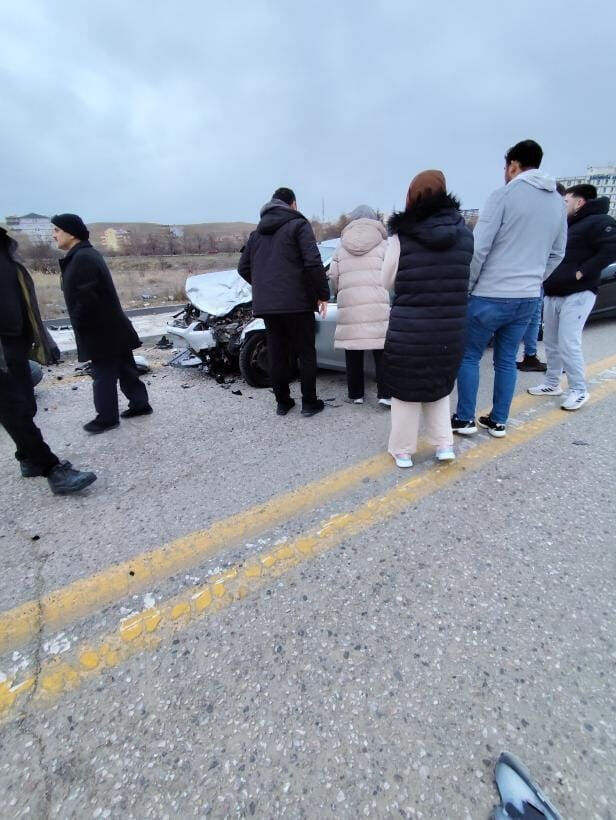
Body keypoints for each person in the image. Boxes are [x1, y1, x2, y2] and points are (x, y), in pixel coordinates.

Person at [452, 140, 566, 438]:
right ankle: (499, 420)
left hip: (490, 294)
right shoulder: (557, 202)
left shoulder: (503, 195)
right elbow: (558, 253)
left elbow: (479, 249)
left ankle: (464, 419)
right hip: (527, 297)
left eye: (506, 167)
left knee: (469, 356)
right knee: (505, 359)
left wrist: (469, 286)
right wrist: (535, 279)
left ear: (513, 165)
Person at [382, 170, 473, 467]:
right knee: (438, 386)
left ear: (412, 196)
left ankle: (403, 450)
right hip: (450, 326)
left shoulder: (401, 237)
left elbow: (386, 280)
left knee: (405, 392)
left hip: (410, 327)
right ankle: (444, 445)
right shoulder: (465, 234)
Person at [0, 227, 97, 494]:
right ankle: (52, 470)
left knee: (24, 406)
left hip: (14, 341)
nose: (54, 235)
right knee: (15, 410)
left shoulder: (5, 247)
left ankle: (27, 458)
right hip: (3, 348)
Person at [52, 214, 152, 434]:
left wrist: (79, 323)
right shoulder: (86, 254)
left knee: (103, 374)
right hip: (112, 326)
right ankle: (140, 404)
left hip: (101, 330)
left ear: (70, 232)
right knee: (125, 368)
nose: (54, 235)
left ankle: (106, 418)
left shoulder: (82, 258)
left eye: (57, 230)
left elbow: (87, 298)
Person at [238, 188, 329, 417]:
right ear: (293, 204)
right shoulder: (299, 225)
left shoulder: (256, 234)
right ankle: (309, 403)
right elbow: (313, 262)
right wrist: (322, 293)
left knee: (277, 353)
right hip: (298, 302)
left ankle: (283, 403)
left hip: (269, 306)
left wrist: (264, 287)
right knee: (306, 352)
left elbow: (243, 268)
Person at [528, 184, 616, 410]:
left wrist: (582, 271)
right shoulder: (565, 225)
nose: (561, 205)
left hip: (578, 293)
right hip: (554, 291)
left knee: (569, 342)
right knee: (551, 341)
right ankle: (552, 382)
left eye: (565, 201)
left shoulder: (600, 222)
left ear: (579, 202)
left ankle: (578, 389)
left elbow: (610, 250)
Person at [328, 205, 391, 407]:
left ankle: (356, 394)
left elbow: (333, 277)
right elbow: (392, 275)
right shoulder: (384, 245)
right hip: (376, 303)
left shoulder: (340, 247)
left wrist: (342, 291)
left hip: (350, 304)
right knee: (381, 348)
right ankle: (385, 394)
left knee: (352, 348)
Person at [516, 182, 568, 373]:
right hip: (533, 279)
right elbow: (558, 253)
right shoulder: (553, 217)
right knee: (529, 318)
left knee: (529, 319)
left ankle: (527, 355)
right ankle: (526, 356)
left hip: (527, 278)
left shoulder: (532, 215)